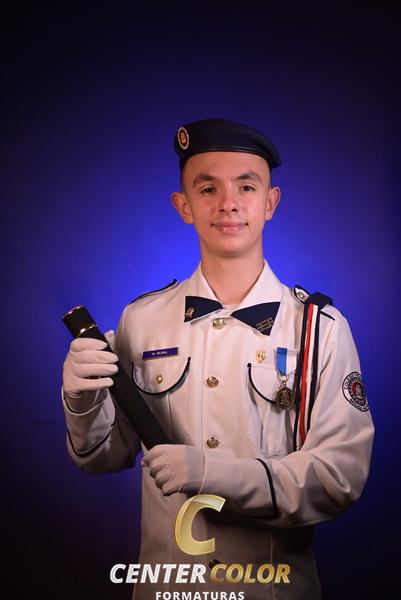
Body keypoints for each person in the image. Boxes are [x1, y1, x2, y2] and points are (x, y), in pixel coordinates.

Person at [62, 118, 374, 600]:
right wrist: (82, 401)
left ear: (270, 202)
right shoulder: (140, 320)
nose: (228, 203)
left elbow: (338, 478)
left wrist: (213, 473)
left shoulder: (320, 329)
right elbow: (105, 456)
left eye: (246, 186)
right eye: (207, 189)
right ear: (183, 206)